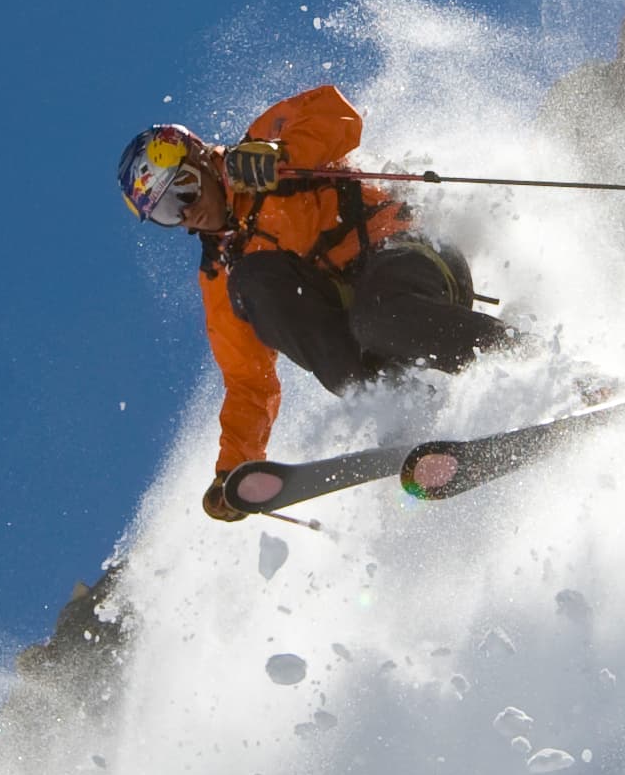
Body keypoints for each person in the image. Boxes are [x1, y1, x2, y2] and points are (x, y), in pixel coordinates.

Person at [117, 85, 512, 517]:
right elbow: (249, 382)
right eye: (166, 213)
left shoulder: (260, 148)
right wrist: (232, 468)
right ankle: (396, 402)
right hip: (360, 326)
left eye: (185, 191)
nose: (186, 212)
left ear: (201, 159)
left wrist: (279, 155)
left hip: (409, 259)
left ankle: (521, 357)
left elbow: (338, 117)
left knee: (378, 317)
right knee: (254, 280)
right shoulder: (222, 271)